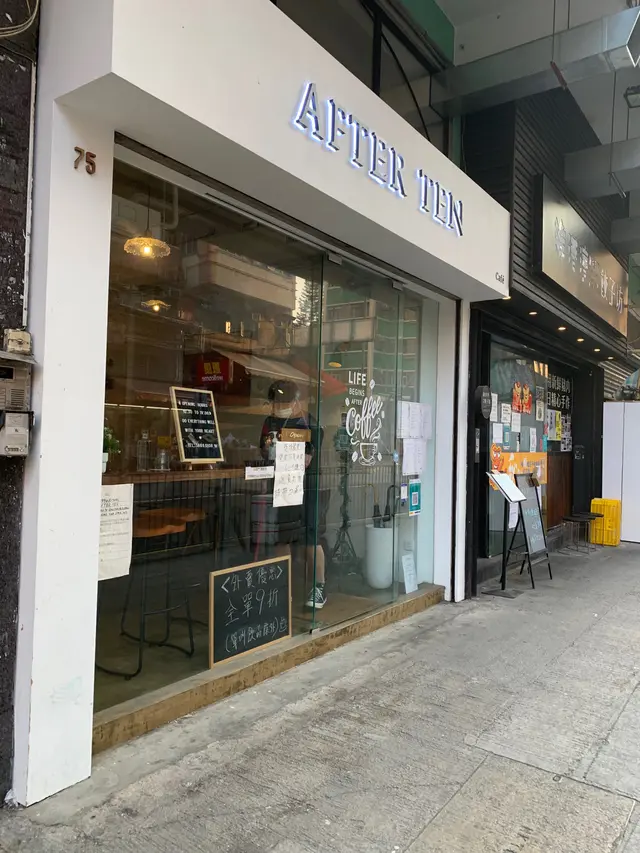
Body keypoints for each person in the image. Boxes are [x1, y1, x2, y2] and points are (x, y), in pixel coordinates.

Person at [260, 380, 326, 609]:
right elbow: (264, 449)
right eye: (275, 403)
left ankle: (318, 587)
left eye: (282, 403)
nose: (278, 408)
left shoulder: (309, 423)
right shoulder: (269, 422)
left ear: (296, 403)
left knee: (310, 537)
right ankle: (281, 587)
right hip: (281, 486)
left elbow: (313, 452)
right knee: (283, 536)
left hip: (307, 486)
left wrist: (307, 455)